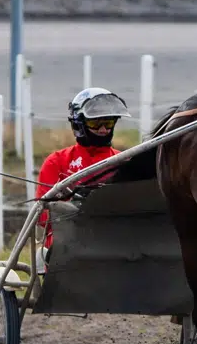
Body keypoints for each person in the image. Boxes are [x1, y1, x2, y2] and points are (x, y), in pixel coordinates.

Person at [35, 87, 132, 251]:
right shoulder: (56, 162)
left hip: (115, 244)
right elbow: (43, 218)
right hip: (67, 247)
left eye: (108, 123)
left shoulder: (125, 162)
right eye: (95, 123)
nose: (103, 130)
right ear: (78, 124)